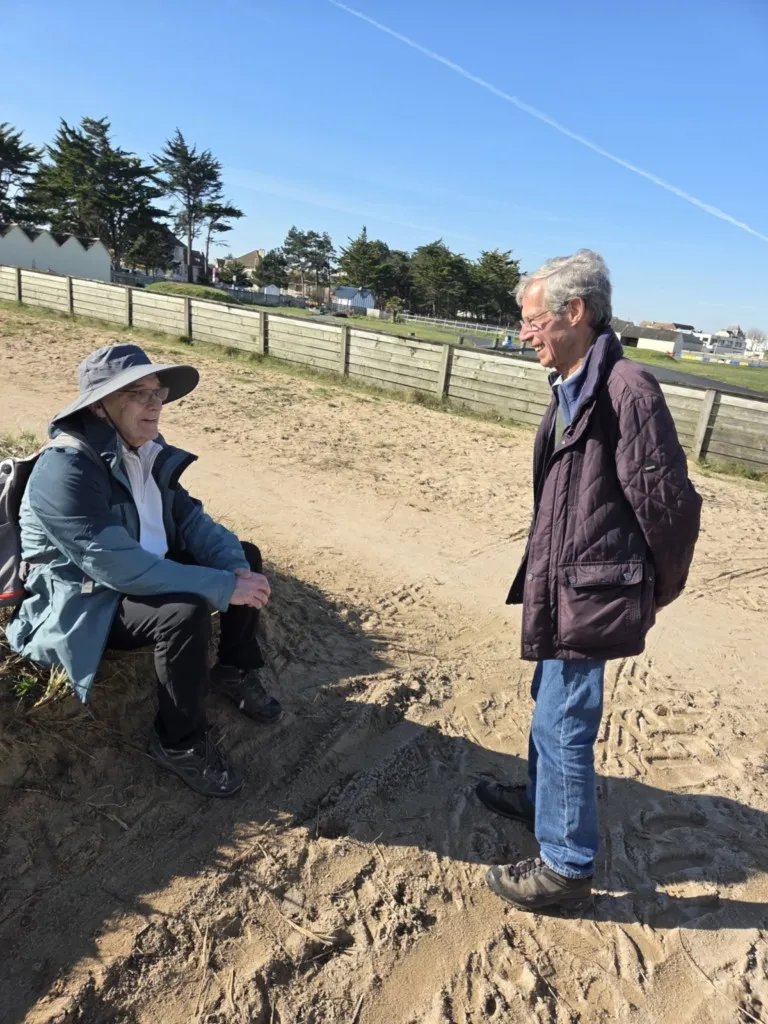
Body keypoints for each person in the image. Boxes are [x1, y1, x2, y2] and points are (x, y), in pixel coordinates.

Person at [477, 250, 702, 911]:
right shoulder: (574, 385)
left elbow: (669, 506)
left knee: (564, 723)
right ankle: (542, 800)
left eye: (532, 320)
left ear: (574, 312)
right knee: (548, 703)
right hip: (565, 580)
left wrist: (656, 586)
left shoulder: (627, 389)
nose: (525, 333)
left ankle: (567, 869)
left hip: (594, 589)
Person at [6, 343, 282, 798]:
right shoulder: (67, 470)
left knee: (244, 555)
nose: (155, 403)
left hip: (140, 572)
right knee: (182, 611)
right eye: (137, 393)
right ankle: (179, 742)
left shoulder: (147, 451)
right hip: (88, 599)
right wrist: (221, 586)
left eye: (157, 392)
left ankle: (233, 670)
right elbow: (116, 566)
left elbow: (191, 520)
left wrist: (235, 569)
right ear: (99, 406)